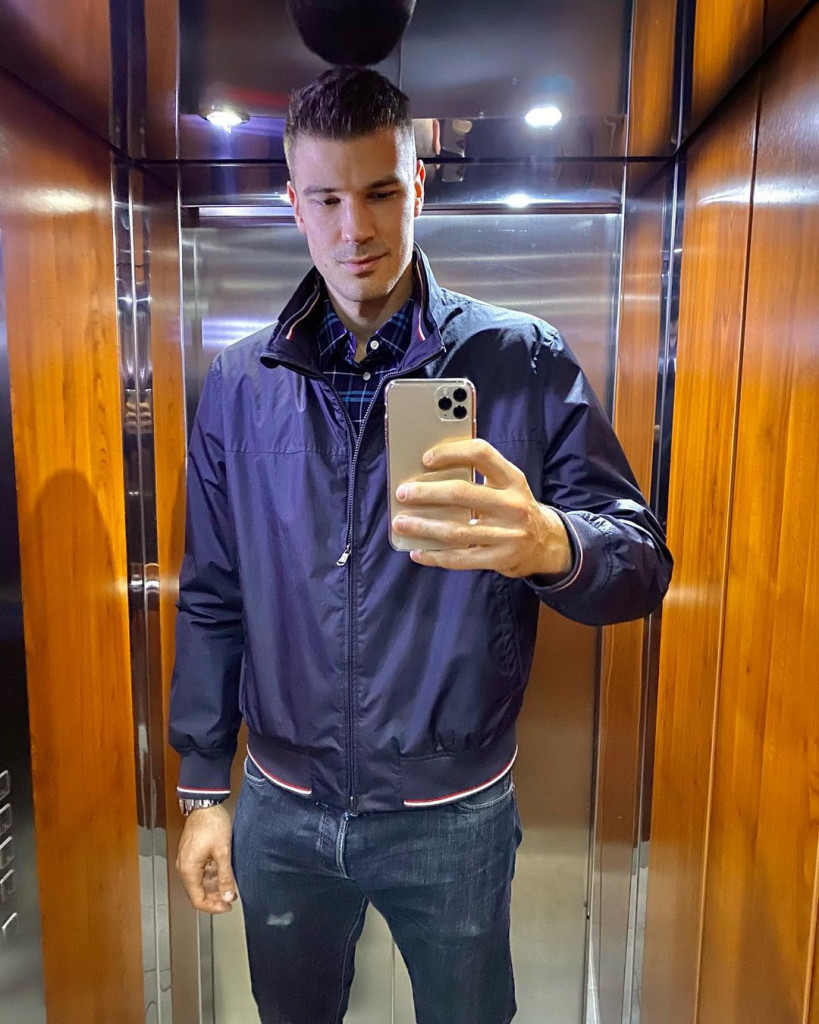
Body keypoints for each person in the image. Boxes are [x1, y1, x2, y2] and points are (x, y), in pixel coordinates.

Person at [169, 66, 673, 1024]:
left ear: (418, 187)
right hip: (282, 805)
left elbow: (640, 563)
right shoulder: (239, 383)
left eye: (379, 192)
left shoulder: (520, 358)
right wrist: (202, 788)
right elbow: (213, 591)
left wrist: (551, 543)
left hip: (455, 812)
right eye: (326, 199)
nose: (354, 228)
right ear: (292, 204)